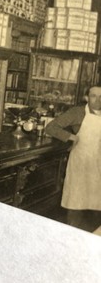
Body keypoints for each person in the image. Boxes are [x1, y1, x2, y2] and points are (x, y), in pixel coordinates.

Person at [45, 85, 101, 230]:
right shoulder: (77, 112)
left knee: (97, 205)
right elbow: (51, 127)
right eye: (94, 96)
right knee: (76, 202)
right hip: (80, 162)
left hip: (98, 164)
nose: (98, 100)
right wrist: (71, 137)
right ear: (86, 98)